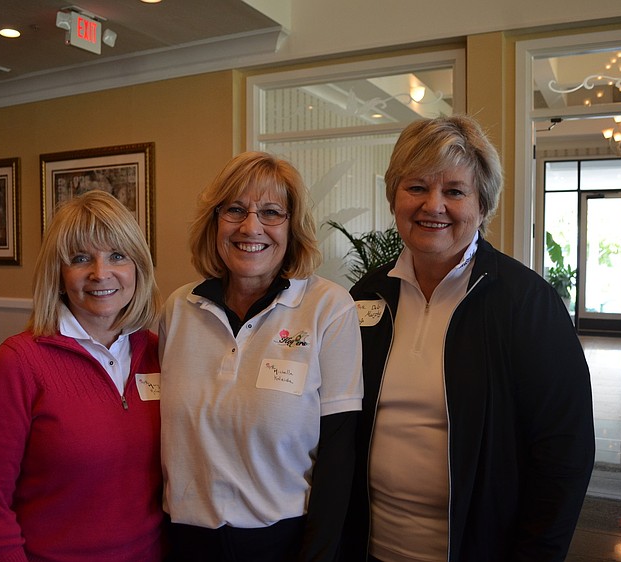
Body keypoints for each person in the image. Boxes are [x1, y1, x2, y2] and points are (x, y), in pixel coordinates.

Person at [342, 115, 595, 562]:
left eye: (455, 191)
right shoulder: (366, 295)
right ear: (394, 197)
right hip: (369, 548)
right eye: (416, 187)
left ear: (482, 205)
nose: (433, 205)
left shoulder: (526, 303)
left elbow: (564, 452)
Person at [159, 151, 364, 562]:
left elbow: (339, 454)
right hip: (185, 541)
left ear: (292, 226)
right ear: (215, 222)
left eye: (271, 212)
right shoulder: (179, 309)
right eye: (235, 210)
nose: (250, 227)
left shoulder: (329, 308)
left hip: (283, 543)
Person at [0, 190, 163, 562]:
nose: (100, 273)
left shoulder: (158, 352)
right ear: (58, 274)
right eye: (80, 258)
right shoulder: (18, 364)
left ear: (138, 267)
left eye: (117, 256)